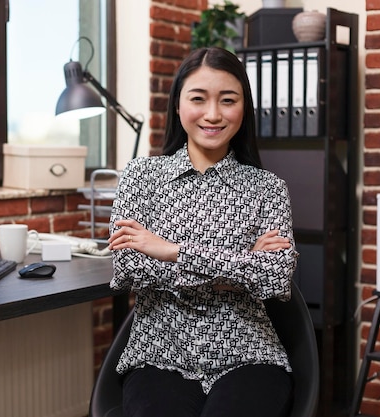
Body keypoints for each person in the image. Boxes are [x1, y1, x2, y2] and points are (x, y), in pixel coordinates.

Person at [107, 46, 299, 417]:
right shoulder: (140, 177)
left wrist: (171, 251)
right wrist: (241, 268)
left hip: (249, 354)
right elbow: (129, 269)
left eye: (228, 100)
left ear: (244, 109)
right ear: (178, 106)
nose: (213, 114)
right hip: (158, 355)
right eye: (199, 98)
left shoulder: (268, 188)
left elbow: (276, 278)